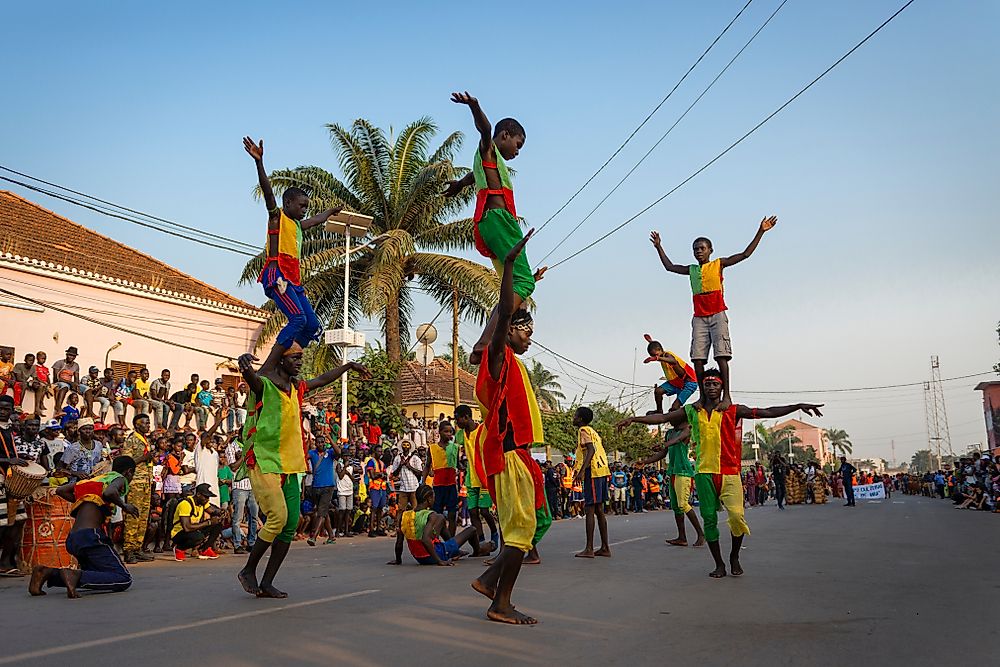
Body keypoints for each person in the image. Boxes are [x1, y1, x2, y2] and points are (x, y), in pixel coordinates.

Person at [618, 370, 822, 578]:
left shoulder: (732, 410)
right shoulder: (691, 411)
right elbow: (662, 417)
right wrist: (633, 419)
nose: (712, 387)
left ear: (722, 387)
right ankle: (719, 564)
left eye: (716, 384)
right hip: (703, 472)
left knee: (736, 516)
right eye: (707, 384)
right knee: (709, 519)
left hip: (730, 472)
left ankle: (734, 556)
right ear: (703, 388)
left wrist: (796, 406)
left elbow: (766, 412)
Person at [235, 341, 368, 598]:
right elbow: (253, 379)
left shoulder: (297, 388)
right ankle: (248, 569)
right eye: (295, 358)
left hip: (291, 465)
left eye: (301, 358)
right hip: (264, 461)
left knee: (290, 523)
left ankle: (267, 581)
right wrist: (244, 368)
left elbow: (323, 379)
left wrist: (349, 365)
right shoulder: (267, 385)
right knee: (277, 517)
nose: (299, 362)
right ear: (281, 361)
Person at [471, 230, 551, 625]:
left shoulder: (513, 364)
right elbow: (502, 312)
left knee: (525, 528)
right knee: (520, 534)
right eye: (526, 331)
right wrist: (508, 268)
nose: (530, 337)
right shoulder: (498, 358)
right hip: (507, 456)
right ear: (509, 332)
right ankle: (499, 602)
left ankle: (489, 582)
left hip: (516, 455)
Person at [446, 92, 546, 365]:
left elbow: (472, 176)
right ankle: (486, 341)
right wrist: (474, 106)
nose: (517, 151)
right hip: (499, 220)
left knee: (515, 288)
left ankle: (485, 345)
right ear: (505, 136)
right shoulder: (489, 146)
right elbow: (486, 129)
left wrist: (458, 185)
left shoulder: (487, 161)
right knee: (523, 284)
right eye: (518, 144)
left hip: (488, 223)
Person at [648, 217, 777, 408]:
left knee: (721, 356)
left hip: (717, 314)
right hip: (699, 317)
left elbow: (745, 254)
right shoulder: (691, 270)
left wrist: (761, 231)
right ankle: (702, 397)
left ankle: (727, 396)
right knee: (697, 358)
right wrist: (659, 247)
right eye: (695, 249)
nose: (699, 251)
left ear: (710, 250)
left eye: (702, 248)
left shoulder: (718, 264)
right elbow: (670, 267)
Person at [244, 136, 343, 355]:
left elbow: (317, 220)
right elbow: (268, 193)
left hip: (293, 279)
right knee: (297, 318)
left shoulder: (298, 225)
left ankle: (293, 352)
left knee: (312, 325)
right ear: (287, 203)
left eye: (307, 207)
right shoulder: (277, 218)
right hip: (277, 275)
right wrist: (259, 163)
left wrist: (330, 212)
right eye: (301, 206)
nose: (304, 210)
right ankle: (274, 358)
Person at [28, 456, 138, 597]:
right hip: (90, 537)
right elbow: (110, 492)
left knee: (97, 574)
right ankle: (74, 575)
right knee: (123, 579)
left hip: (74, 539)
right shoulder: (119, 478)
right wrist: (125, 506)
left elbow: (61, 490)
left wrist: (82, 499)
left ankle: (47, 573)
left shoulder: (95, 480)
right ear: (129, 472)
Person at [388, 484, 494, 566]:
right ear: (429, 499)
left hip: (418, 557)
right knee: (472, 529)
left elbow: (399, 542)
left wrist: (398, 560)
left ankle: (455, 551)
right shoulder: (432, 515)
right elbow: (425, 539)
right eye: (433, 497)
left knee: (441, 522)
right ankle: (477, 551)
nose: (435, 499)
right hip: (435, 555)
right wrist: (439, 561)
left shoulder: (405, 515)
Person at [634, 427, 705, 546]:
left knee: (683, 504)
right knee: (676, 506)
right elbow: (663, 453)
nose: (671, 414)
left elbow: (678, 440)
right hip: (672, 471)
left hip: (683, 471)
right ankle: (682, 538)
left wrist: (663, 444)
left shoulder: (686, 430)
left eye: (674, 410)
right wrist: (646, 461)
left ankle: (701, 534)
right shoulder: (669, 433)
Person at [455, 405, 499, 547]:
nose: (456, 422)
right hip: (471, 477)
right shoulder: (461, 435)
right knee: (473, 512)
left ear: (466, 417)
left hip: (484, 476)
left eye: (458, 419)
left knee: (484, 511)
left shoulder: (482, 430)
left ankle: (494, 533)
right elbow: (458, 448)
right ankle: (480, 541)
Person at [570, 407, 611, 558]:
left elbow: (591, 450)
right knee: (599, 509)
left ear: (580, 419)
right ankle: (605, 547)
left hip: (593, 471)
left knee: (590, 509)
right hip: (602, 470)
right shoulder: (593, 431)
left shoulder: (583, 430)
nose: (573, 418)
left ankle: (589, 548)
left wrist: (581, 471)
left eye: (575, 416)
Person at [121, 413, 156, 564]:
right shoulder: (131, 440)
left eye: (148, 423)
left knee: (143, 517)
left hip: (146, 481)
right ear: (136, 425)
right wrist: (144, 457)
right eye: (144, 423)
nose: (148, 425)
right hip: (135, 482)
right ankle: (128, 550)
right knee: (133, 516)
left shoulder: (145, 439)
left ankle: (137, 547)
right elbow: (126, 462)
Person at [0, 395, 29, 574]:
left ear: (12, 410)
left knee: (17, 521)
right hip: (1, 479)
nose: (3, 411)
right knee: (2, 522)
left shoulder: (10, 430)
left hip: (11, 479)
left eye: (6, 409)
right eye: (0, 408)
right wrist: (9, 460)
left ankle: (5, 562)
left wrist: (18, 460)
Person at [642, 334, 699, 414]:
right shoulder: (659, 352)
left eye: (655, 355)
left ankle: (682, 421)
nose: (654, 357)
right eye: (652, 356)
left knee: (674, 408)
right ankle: (659, 411)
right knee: (658, 391)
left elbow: (673, 361)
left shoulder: (667, 355)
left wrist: (657, 358)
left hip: (689, 383)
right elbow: (655, 346)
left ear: (660, 350)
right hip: (676, 382)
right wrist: (650, 341)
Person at [424, 421, 460, 537]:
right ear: (439, 432)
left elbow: (458, 465)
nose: (449, 434)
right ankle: (436, 540)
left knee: (452, 514)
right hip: (438, 486)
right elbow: (427, 465)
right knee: (437, 515)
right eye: (446, 431)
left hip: (451, 485)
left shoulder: (455, 447)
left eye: (450, 432)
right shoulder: (432, 448)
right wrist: (422, 482)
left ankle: (451, 543)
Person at [170, 483, 223, 561]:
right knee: (198, 537)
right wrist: (208, 522)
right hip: (179, 533)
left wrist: (220, 513)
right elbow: (187, 527)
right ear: (198, 494)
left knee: (217, 524)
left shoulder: (202, 503)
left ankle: (204, 549)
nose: (207, 499)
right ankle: (179, 548)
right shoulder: (185, 504)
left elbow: (212, 511)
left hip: (194, 529)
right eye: (206, 497)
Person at [306, 440, 337, 546]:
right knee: (323, 511)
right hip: (316, 486)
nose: (321, 444)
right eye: (319, 442)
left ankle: (314, 537)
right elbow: (304, 456)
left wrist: (330, 438)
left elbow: (339, 452)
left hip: (328, 486)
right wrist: (306, 441)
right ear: (315, 444)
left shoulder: (330, 453)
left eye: (323, 442)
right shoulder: (312, 453)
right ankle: (331, 536)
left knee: (321, 512)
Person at [388, 439, 423, 530]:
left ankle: (417, 527)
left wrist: (409, 466)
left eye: (408, 445)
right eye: (404, 445)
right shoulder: (398, 458)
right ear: (401, 447)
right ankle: (398, 528)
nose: (406, 447)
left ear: (410, 447)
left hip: (414, 487)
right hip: (403, 487)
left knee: (416, 509)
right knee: (400, 509)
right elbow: (394, 474)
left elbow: (420, 472)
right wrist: (400, 465)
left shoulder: (415, 458)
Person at [364, 444, 388, 537]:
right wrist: (380, 474)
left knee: (380, 508)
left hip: (382, 488)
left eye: (381, 451)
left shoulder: (382, 463)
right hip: (374, 488)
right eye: (379, 451)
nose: (380, 453)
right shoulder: (371, 461)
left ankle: (378, 528)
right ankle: (371, 529)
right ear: (374, 452)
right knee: (374, 508)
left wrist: (380, 474)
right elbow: (373, 476)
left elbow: (385, 475)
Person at [51, 346, 81, 413]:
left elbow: (76, 379)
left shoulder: (76, 365)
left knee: (87, 389)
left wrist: (76, 385)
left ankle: (90, 412)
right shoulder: (59, 363)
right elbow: (56, 378)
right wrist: (70, 383)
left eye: (73, 356)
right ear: (66, 355)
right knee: (65, 386)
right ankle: (58, 407)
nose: (71, 357)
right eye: (70, 355)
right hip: (59, 382)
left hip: (70, 383)